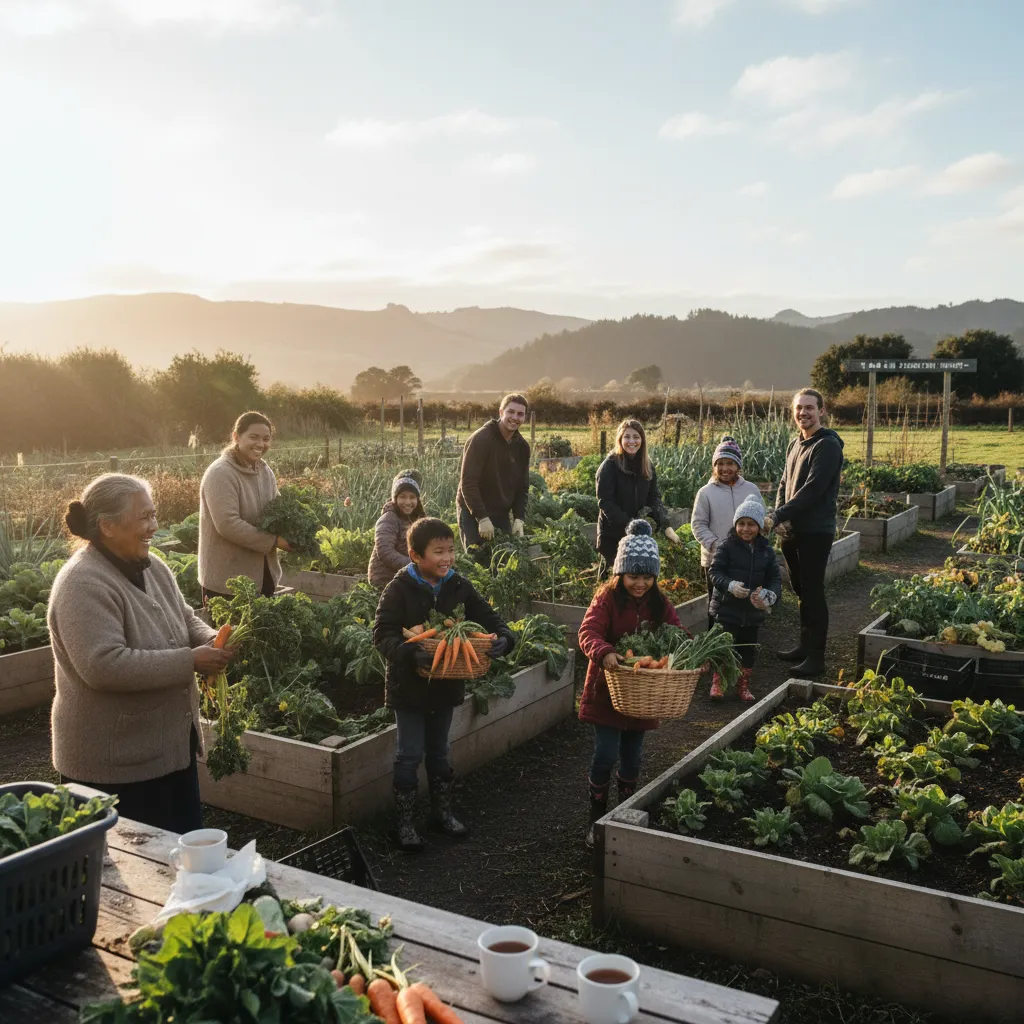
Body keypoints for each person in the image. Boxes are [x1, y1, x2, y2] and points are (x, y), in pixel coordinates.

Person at [48, 474, 234, 834]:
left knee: (176, 859)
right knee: (122, 878)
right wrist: (191, 660)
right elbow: (104, 666)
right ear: (108, 526)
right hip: (115, 766)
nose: (154, 526)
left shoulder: (153, 566)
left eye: (154, 515)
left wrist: (214, 640)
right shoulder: (82, 583)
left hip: (166, 751)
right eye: (144, 518)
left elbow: (184, 618)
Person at [373, 517, 515, 852]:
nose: (447, 557)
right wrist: (410, 654)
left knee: (440, 751)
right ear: (415, 555)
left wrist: (505, 638)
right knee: (408, 754)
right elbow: (382, 635)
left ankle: (441, 813)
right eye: (438, 552)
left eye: (450, 550)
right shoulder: (398, 588)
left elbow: (490, 618)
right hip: (408, 688)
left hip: (446, 684)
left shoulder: (458, 585)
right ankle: (405, 824)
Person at [577, 520, 685, 848]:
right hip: (609, 689)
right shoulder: (607, 600)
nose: (640, 583)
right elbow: (587, 632)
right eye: (633, 576)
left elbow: (678, 631)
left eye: (647, 576)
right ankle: (596, 816)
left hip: (644, 695)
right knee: (606, 754)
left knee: (633, 757)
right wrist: (605, 651)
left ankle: (624, 811)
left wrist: (689, 651)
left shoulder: (659, 604)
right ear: (620, 573)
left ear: (655, 577)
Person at [764, 388, 845, 679]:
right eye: (799, 408)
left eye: (810, 408)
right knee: (800, 589)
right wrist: (778, 514)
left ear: (822, 411)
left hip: (814, 531)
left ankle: (816, 657)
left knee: (812, 591)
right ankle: (804, 644)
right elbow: (785, 484)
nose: (803, 413)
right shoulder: (795, 443)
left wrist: (780, 515)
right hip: (791, 531)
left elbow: (812, 490)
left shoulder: (828, 446)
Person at [198, 411, 291, 604]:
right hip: (228, 582)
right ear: (236, 436)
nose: (260, 444)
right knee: (230, 634)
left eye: (266, 439)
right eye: (254, 437)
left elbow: (279, 509)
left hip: (264, 575)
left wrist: (295, 532)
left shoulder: (265, 471)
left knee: (259, 634)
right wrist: (275, 541)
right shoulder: (220, 473)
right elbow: (228, 524)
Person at [708, 497, 782, 702]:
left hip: (752, 612)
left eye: (751, 524)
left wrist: (770, 596)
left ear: (759, 526)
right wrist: (730, 585)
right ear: (735, 524)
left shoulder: (766, 552)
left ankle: (743, 686)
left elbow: (774, 578)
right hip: (727, 609)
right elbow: (715, 572)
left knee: (747, 649)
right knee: (724, 648)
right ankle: (718, 683)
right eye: (741, 523)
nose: (745, 529)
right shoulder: (726, 547)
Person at [691, 435, 763, 630]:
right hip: (716, 560)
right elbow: (698, 524)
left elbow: (760, 520)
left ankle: (742, 644)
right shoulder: (706, 492)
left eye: (730, 463)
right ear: (714, 466)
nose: (725, 468)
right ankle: (717, 645)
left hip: (746, 558)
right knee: (718, 606)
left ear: (738, 466)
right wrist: (717, 546)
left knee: (743, 605)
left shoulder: (750, 490)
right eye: (720, 463)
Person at [595, 419, 680, 569]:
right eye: (627, 437)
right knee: (615, 578)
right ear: (620, 439)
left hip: (637, 536)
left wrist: (665, 525)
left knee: (634, 578)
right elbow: (606, 503)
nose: (631, 441)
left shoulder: (646, 466)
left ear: (642, 440)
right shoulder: (609, 466)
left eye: (636, 437)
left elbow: (654, 498)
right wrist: (629, 525)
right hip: (612, 535)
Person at [456, 393, 531, 553]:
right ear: (501, 412)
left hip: (500, 512)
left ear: (525, 417)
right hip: (472, 510)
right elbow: (468, 483)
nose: (515, 417)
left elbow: (522, 486)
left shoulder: (522, 447)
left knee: (502, 561)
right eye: (510, 412)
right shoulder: (481, 439)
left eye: (520, 414)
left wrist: (519, 518)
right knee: (477, 561)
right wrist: (481, 517)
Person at [368, 469, 426, 589]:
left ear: (417, 499)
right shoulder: (389, 518)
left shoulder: (417, 518)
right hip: (385, 578)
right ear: (395, 498)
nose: (408, 502)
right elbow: (385, 551)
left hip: (406, 575)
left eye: (412, 497)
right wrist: (415, 565)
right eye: (402, 497)